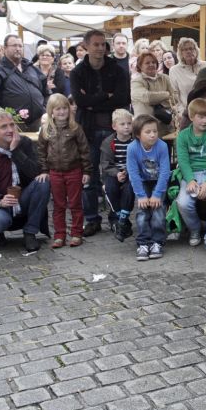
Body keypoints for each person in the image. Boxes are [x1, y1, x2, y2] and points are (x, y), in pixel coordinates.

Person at [70, 29, 131, 236]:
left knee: (113, 175)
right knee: (88, 177)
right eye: (95, 44)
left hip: (113, 131)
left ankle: (116, 218)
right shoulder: (78, 72)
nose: (99, 48)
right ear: (86, 46)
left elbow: (122, 98)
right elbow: (80, 101)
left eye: (102, 44)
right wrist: (106, 95)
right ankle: (92, 219)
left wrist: (92, 101)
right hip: (88, 131)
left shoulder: (117, 69)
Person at [0, 112, 50, 252]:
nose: (10, 130)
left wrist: (15, 151)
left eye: (12, 125)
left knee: (43, 182)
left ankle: (30, 233)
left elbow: (35, 173)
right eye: (4, 127)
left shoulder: (24, 143)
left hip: (22, 199)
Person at [36, 93, 92, 248]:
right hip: (55, 172)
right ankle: (59, 235)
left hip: (74, 171)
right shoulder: (46, 130)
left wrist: (87, 171)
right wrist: (44, 170)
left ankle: (76, 233)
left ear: (69, 109)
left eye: (64, 108)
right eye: (57, 109)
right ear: (51, 111)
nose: (61, 112)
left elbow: (84, 151)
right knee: (58, 205)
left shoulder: (75, 128)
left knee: (75, 204)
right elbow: (41, 152)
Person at [176, 97, 206, 256]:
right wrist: (190, 179)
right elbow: (183, 161)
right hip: (191, 174)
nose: (205, 121)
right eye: (201, 117)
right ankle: (195, 229)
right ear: (191, 117)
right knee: (183, 203)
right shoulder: (183, 136)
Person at [0, 34, 48, 131]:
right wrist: (3, 118)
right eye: (14, 45)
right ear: (4, 48)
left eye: (20, 46)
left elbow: (46, 93)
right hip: (12, 125)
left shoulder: (32, 68)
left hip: (39, 122)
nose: (18, 49)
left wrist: (44, 110)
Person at [126, 114, 171, 261]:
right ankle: (143, 243)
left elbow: (165, 172)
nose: (153, 135)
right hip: (142, 182)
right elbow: (133, 173)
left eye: (155, 131)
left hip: (159, 181)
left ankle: (157, 242)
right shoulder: (132, 148)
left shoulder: (162, 146)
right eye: (148, 132)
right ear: (138, 135)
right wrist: (141, 195)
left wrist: (157, 194)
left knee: (158, 211)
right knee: (142, 212)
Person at [100, 109, 136, 242]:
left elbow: (138, 159)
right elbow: (105, 163)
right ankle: (123, 220)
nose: (126, 127)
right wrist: (116, 173)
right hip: (113, 173)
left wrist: (127, 171)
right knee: (110, 188)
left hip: (130, 172)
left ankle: (121, 222)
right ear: (114, 126)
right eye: (122, 124)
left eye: (129, 123)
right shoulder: (108, 142)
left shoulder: (135, 141)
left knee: (129, 189)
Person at [131, 51, 175, 136]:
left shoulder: (165, 78)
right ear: (140, 66)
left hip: (166, 127)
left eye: (153, 62)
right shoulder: (136, 82)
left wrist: (159, 98)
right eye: (147, 63)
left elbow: (175, 98)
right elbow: (148, 98)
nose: (151, 64)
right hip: (145, 128)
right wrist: (166, 94)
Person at [169, 37, 206, 110]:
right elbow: (174, 95)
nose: (188, 51)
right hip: (186, 110)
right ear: (181, 53)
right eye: (185, 50)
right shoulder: (174, 70)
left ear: (196, 50)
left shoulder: (205, 65)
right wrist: (181, 111)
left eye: (191, 48)